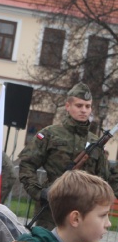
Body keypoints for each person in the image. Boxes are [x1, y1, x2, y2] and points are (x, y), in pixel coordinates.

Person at [19, 82, 113, 230]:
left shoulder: (96, 142)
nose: (84, 110)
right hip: (52, 211)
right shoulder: (50, 134)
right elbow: (26, 163)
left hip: (83, 212)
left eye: (87, 106)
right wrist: (39, 192)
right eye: (79, 105)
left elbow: (104, 178)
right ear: (68, 106)